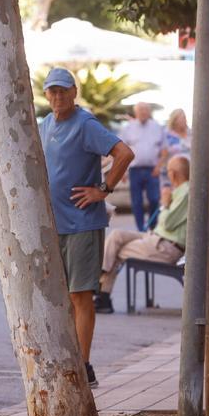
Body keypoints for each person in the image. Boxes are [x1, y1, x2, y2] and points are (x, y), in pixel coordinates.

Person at [39, 67, 134, 388]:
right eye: (52, 91)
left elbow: (124, 153)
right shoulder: (45, 124)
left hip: (82, 223)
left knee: (80, 296)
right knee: (62, 297)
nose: (57, 96)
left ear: (74, 92)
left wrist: (103, 189)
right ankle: (70, 361)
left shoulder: (85, 124)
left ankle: (84, 365)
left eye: (63, 90)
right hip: (56, 226)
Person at [96, 155, 190, 313]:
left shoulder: (186, 192)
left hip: (165, 246)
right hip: (156, 238)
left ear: (173, 174)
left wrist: (166, 203)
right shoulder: (180, 191)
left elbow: (167, 223)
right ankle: (100, 275)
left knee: (116, 251)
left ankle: (102, 294)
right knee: (117, 235)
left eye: (167, 172)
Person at [121, 102, 165, 231]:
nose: (143, 112)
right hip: (134, 170)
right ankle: (141, 229)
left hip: (153, 170)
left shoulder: (157, 127)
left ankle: (152, 226)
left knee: (154, 200)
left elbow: (164, 150)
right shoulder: (128, 128)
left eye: (145, 110)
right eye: (140, 110)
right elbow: (121, 150)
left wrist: (159, 166)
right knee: (137, 202)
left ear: (149, 111)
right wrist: (122, 171)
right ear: (135, 112)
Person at [159, 109, 191, 187]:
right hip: (173, 172)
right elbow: (163, 153)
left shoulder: (191, 133)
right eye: (181, 118)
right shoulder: (167, 134)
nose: (184, 120)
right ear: (174, 120)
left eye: (184, 117)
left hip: (189, 171)